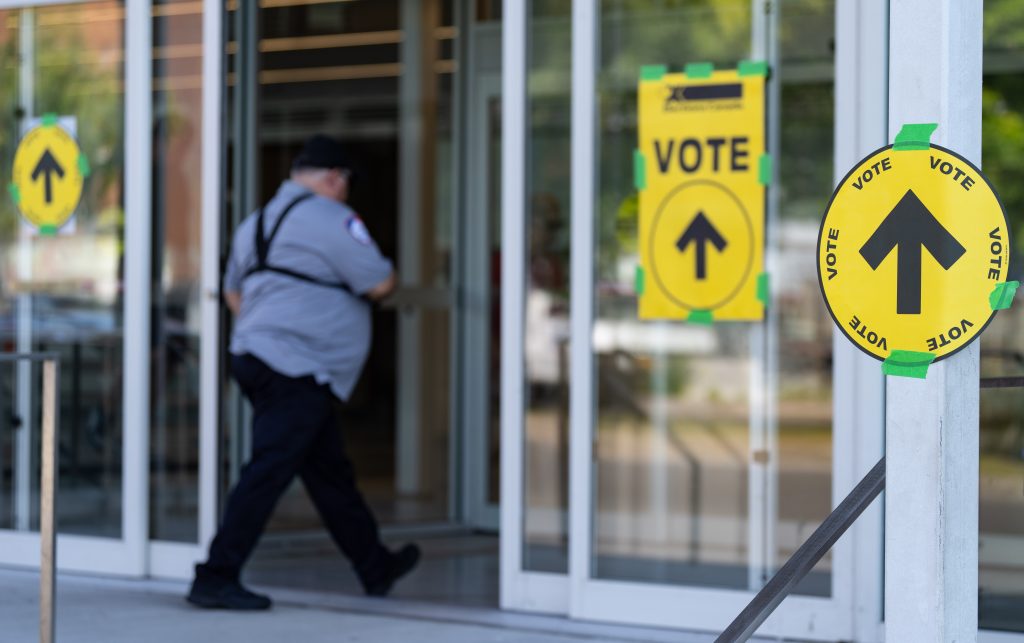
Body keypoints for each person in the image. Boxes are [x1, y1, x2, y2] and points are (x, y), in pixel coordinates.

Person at [187, 135, 419, 610]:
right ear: (335, 178)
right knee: (268, 470)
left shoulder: (255, 222)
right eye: (346, 185)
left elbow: (234, 294)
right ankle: (216, 574)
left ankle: (374, 565)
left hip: (258, 355)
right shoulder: (333, 218)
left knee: (328, 472)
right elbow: (380, 283)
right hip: (296, 365)